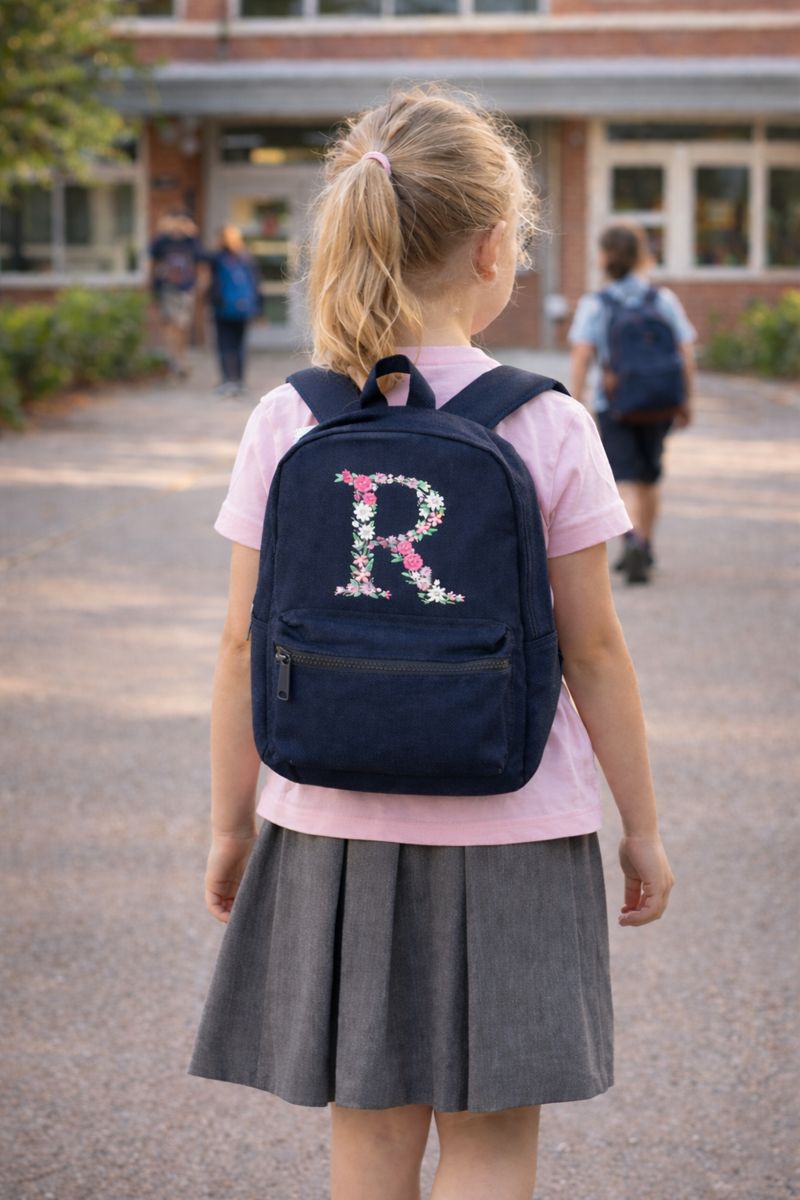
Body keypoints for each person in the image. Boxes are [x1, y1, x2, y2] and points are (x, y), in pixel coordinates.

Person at [187, 88, 675, 1200]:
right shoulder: (545, 422)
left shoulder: (292, 417)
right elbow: (594, 652)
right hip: (512, 821)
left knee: (366, 1140)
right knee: (493, 1145)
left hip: (327, 819)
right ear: (494, 246)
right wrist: (637, 828)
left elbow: (236, 647)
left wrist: (228, 824)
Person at [568, 223, 697, 584]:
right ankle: (647, 544)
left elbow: (582, 355)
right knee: (651, 473)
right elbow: (685, 352)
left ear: (605, 258)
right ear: (640, 256)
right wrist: (687, 399)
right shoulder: (663, 299)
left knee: (623, 475)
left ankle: (633, 538)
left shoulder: (597, 304)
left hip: (617, 403)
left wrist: (576, 402)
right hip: (660, 401)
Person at [206, 224, 261, 397]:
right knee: (239, 346)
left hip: (223, 309)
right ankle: (238, 381)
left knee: (225, 345)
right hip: (241, 309)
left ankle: (228, 381)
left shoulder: (218, 258)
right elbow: (256, 284)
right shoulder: (246, 258)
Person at [148, 211, 205, 379]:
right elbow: (151, 256)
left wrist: (198, 285)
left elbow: (202, 260)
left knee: (182, 326)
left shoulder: (190, 242)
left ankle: (180, 357)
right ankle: (175, 360)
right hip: (168, 289)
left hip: (185, 289)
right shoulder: (163, 241)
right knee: (171, 324)